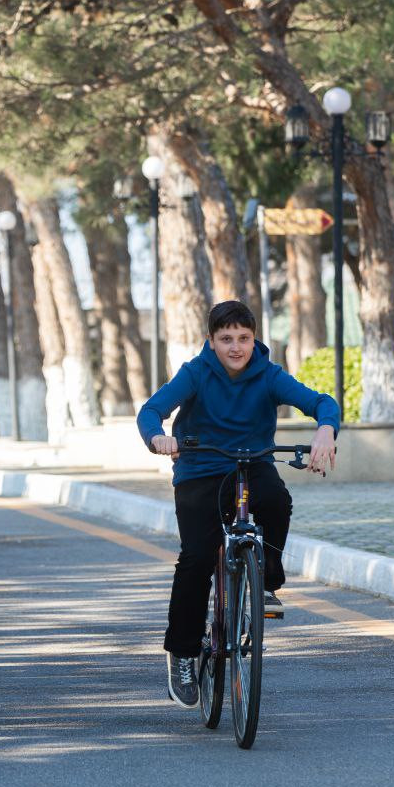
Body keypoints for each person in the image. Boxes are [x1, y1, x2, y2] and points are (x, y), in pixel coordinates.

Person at [137, 300, 340, 709]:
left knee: (277, 500)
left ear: (254, 340)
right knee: (196, 558)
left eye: (243, 338)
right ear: (211, 341)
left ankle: (266, 584)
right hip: (200, 468)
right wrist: (158, 436)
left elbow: (322, 402)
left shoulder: (269, 375)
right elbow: (152, 410)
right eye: (226, 338)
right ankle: (182, 654)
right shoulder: (196, 372)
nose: (236, 347)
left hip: (251, 464)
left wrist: (325, 430)